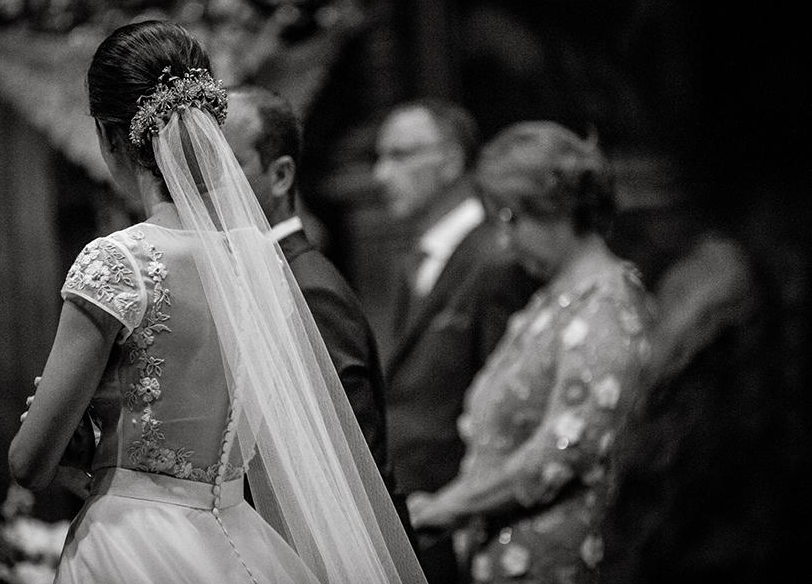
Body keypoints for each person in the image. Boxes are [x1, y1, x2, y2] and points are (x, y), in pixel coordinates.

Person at [9, 21, 425, 584]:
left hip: (135, 543)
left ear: (109, 136)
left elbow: (28, 464)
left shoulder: (118, 261)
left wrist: (78, 440)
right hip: (238, 535)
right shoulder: (261, 261)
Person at [407, 121, 653, 584]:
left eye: (510, 219)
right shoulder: (555, 296)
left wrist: (448, 506)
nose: (504, 241)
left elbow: (564, 450)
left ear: (555, 207)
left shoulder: (606, 306)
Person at [222, 85, 417, 546]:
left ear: (280, 175)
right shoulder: (259, 277)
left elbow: (355, 460)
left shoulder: (307, 290)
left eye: (224, 165)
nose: (204, 186)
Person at [374, 100, 538, 581]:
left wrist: (465, 503)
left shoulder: (496, 260)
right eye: (380, 157)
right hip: (414, 507)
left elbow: (507, 398)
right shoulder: (412, 258)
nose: (381, 175)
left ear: (450, 160)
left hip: (460, 509)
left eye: (400, 155)